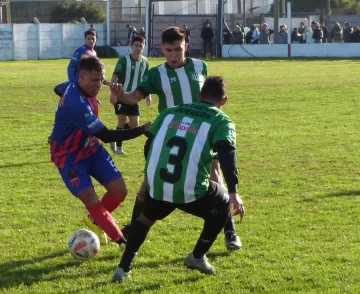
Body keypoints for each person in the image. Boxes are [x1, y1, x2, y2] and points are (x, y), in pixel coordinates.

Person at [111, 26, 242, 251]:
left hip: (200, 136)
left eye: (178, 49)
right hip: (167, 136)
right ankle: (134, 228)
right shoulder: (156, 73)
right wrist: (122, 94)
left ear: (186, 47)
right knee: (147, 184)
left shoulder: (201, 67)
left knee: (215, 177)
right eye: (169, 50)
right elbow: (135, 96)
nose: (173, 55)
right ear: (162, 49)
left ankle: (230, 230)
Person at [112, 76, 245, 282]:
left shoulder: (170, 112)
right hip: (192, 191)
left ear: (199, 96)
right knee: (223, 203)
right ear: (224, 100)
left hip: (160, 183)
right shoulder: (222, 120)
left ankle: (123, 269)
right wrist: (234, 192)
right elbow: (227, 155)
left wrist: (151, 174)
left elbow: (149, 145)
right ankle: (197, 256)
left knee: (145, 219)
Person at [50, 55, 151, 247]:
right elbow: (107, 136)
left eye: (101, 79)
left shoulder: (72, 84)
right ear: (81, 77)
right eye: (95, 80)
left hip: (91, 149)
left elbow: (58, 88)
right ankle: (121, 240)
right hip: (68, 157)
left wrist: (109, 84)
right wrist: (142, 129)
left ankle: (93, 220)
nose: (99, 85)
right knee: (91, 200)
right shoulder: (76, 104)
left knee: (119, 192)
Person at [109, 35, 151, 156]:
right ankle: (119, 148)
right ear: (131, 45)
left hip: (134, 98)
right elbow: (114, 77)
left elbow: (146, 80)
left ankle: (113, 137)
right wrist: (113, 93)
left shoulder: (145, 62)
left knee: (134, 124)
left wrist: (147, 95)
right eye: (136, 45)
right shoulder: (123, 60)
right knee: (121, 122)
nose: (138, 48)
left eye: (141, 46)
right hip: (121, 96)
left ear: (144, 47)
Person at [54, 30, 98, 97]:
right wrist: (73, 81)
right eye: (88, 39)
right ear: (85, 39)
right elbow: (71, 67)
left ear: (96, 40)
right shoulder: (80, 51)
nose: (91, 41)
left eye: (93, 39)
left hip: (88, 84)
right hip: (80, 83)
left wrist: (103, 81)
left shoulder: (94, 53)